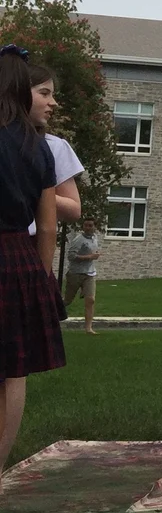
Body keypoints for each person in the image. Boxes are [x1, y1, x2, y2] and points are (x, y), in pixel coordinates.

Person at [2, 61, 84, 482]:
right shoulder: (39, 148)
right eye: (44, 92)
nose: (52, 102)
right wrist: (42, 273)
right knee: (12, 370)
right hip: (16, 255)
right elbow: (49, 226)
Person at [62, 219, 101, 332]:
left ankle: (88, 328)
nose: (88, 228)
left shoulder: (95, 238)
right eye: (86, 225)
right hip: (75, 273)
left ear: (95, 227)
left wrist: (95, 255)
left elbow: (92, 251)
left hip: (89, 273)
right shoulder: (78, 239)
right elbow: (71, 256)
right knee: (67, 301)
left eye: (90, 225)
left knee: (91, 300)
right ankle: (51, 312)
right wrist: (89, 257)